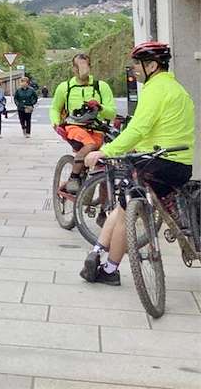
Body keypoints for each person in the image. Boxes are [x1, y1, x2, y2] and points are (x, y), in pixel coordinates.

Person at [79, 42, 195, 286]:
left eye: (137, 64)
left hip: (159, 163)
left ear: (152, 65)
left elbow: (139, 128)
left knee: (124, 212)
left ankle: (109, 268)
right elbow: (156, 129)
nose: (134, 69)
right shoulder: (175, 88)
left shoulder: (155, 90)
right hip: (179, 163)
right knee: (122, 205)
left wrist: (105, 151)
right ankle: (97, 253)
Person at [49, 53, 115, 194]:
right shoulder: (65, 87)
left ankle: (103, 211)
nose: (82, 70)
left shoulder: (101, 87)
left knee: (104, 166)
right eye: (79, 66)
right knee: (89, 144)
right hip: (73, 126)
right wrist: (56, 124)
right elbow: (55, 108)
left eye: (85, 66)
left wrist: (100, 107)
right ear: (73, 68)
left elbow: (112, 113)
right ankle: (73, 178)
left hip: (96, 128)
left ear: (90, 67)